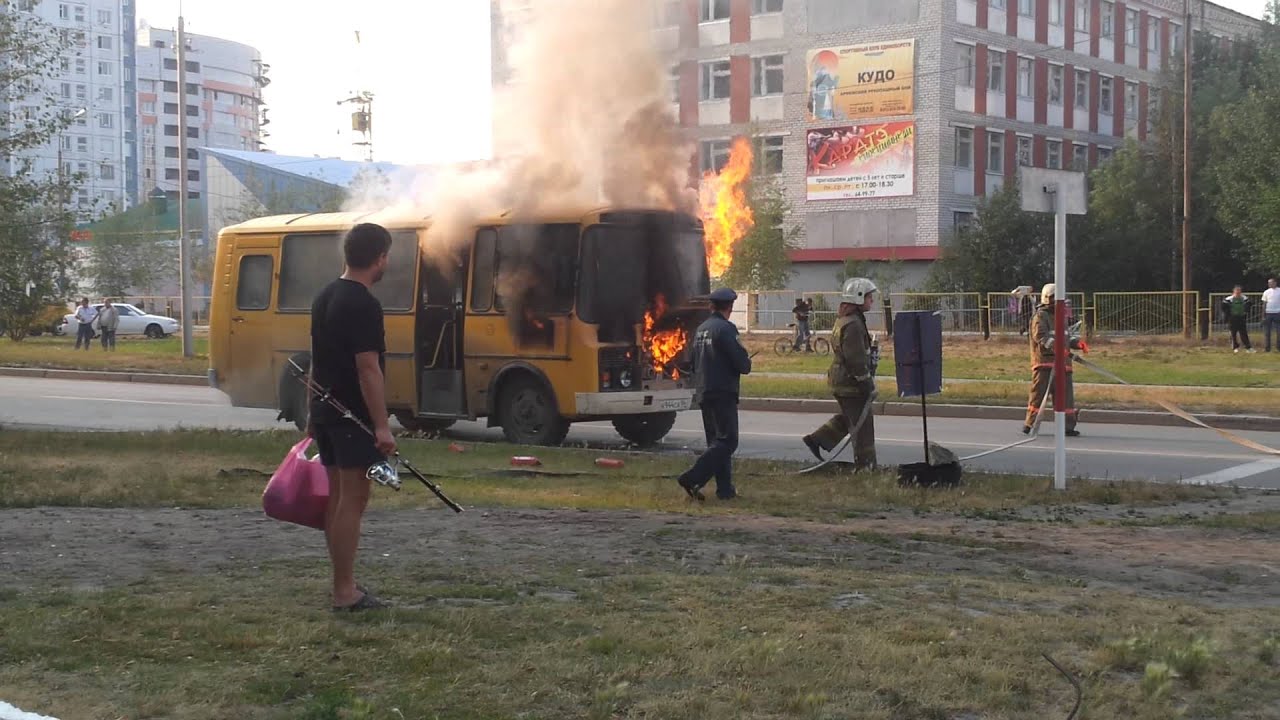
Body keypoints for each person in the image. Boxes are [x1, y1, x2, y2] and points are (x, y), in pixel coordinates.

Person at [307, 223, 396, 612]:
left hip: (326, 412)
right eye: (386, 256)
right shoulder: (363, 303)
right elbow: (368, 369)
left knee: (338, 498)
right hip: (352, 419)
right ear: (379, 257)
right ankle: (345, 591)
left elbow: (316, 361)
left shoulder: (325, 295)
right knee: (352, 502)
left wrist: (312, 413)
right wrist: (381, 425)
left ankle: (343, 582)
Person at [677, 287, 752, 501]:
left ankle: (725, 490)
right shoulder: (726, 329)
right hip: (722, 391)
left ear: (712, 306)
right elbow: (741, 364)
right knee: (728, 442)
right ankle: (692, 478)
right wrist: (746, 361)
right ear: (730, 306)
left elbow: (691, 362)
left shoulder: (701, 329)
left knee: (717, 444)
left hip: (704, 391)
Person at [801, 278, 879, 470]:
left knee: (850, 417)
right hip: (849, 383)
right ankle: (866, 467)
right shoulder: (853, 324)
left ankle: (818, 439)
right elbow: (855, 359)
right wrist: (866, 382)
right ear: (859, 297)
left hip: (842, 379)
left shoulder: (847, 319)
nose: (872, 301)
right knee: (862, 425)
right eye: (870, 297)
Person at [1024, 283, 1083, 436]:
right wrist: (1055, 347)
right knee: (1039, 396)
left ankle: (1067, 427)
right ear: (1047, 298)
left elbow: (1065, 338)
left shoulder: (1061, 317)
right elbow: (1040, 336)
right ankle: (1030, 424)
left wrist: (1077, 343)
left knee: (1066, 399)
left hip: (1063, 366)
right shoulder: (1040, 316)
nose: (1058, 302)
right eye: (1055, 298)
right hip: (1045, 364)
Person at [1222, 285, 1255, 353]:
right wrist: (1228, 315)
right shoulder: (1229, 299)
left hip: (1241, 318)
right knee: (1233, 333)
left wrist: (1245, 311)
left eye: (1239, 290)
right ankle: (1235, 347)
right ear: (1233, 291)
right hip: (1232, 318)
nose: (1238, 292)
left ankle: (1248, 348)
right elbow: (1224, 307)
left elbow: (1249, 304)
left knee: (1243, 333)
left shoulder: (1244, 298)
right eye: (1236, 290)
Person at [1262, 278, 1280, 352]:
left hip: (1278, 313)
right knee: (1267, 332)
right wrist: (1263, 315)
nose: (1270, 284)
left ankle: (1278, 347)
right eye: (1269, 283)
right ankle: (1267, 348)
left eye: (1271, 282)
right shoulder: (1266, 292)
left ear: (1275, 283)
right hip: (1268, 313)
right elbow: (1264, 303)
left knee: (1279, 331)